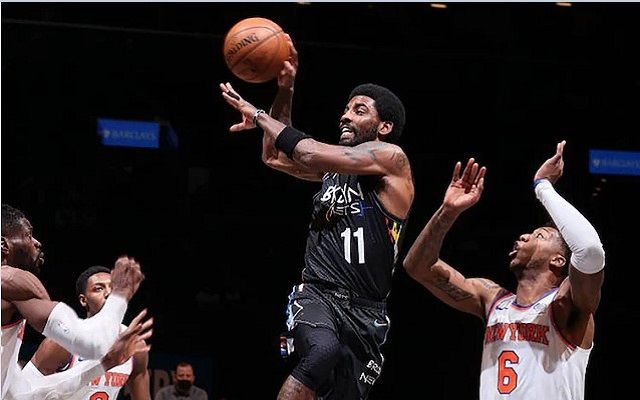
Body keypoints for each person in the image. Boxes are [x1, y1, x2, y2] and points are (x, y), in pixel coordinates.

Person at [220, 35, 413, 400]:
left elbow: (307, 152)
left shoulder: (393, 160)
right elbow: (274, 156)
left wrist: (258, 115)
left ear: (384, 127)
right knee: (322, 352)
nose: (345, 115)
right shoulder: (333, 169)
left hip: (367, 311)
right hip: (317, 294)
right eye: (346, 108)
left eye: (359, 111)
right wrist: (285, 90)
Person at [403, 141, 605, 400]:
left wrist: (543, 186)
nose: (523, 237)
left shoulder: (567, 304)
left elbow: (590, 250)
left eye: (539, 235)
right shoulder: (492, 299)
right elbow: (417, 267)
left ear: (558, 260)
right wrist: (448, 212)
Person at [1, 204, 145, 398]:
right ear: (4, 245)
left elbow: (24, 394)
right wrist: (120, 295)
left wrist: (105, 363)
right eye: (28, 235)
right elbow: (91, 343)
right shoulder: (14, 281)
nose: (36, 242)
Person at [24, 265, 151, 399]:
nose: (109, 293)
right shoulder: (62, 342)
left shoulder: (135, 345)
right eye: (98, 289)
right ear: (84, 300)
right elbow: (22, 391)